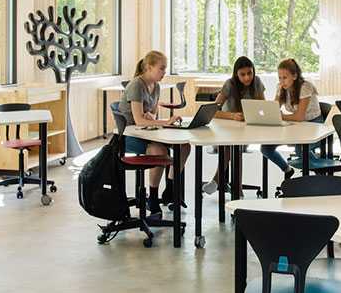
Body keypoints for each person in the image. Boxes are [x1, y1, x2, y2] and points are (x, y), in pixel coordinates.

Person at [117, 50, 191, 215]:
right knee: (159, 151)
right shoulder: (137, 85)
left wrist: (152, 117)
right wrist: (164, 122)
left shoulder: (156, 86)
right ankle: (153, 197)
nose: (164, 72)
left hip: (147, 133)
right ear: (149, 68)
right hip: (131, 135)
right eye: (162, 69)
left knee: (185, 146)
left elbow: (150, 116)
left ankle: (170, 189)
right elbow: (138, 120)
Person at [202, 57, 266, 195]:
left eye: (250, 73)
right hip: (226, 128)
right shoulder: (230, 84)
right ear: (236, 74)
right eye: (242, 74)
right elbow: (213, 111)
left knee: (235, 146)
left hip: (246, 129)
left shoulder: (258, 82)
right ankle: (237, 189)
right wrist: (233, 116)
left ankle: (218, 182)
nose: (247, 77)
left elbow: (263, 107)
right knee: (232, 147)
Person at [261, 58, 321, 180]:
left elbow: (299, 116)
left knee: (300, 149)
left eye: (285, 77)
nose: (282, 81)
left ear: (294, 76)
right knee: (265, 148)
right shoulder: (281, 88)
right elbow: (274, 108)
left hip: (314, 124)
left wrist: (280, 116)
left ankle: (320, 174)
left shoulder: (305, 87)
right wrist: (270, 114)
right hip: (296, 124)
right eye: (280, 78)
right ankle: (287, 169)